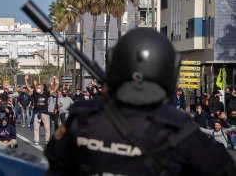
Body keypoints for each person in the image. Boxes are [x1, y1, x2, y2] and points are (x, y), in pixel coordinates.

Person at [44, 28, 236, 175]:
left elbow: (54, 163)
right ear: (169, 72)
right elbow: (224, 169)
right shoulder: (180, 130)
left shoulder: (83, 119)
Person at [25, 75, 59, 146]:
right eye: (37, 87)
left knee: (47, 128)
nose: (38, 88)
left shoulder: (46, 93)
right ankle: (36, 140)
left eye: (39, 87)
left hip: (45, 113)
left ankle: (47, 140)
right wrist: (26, 80)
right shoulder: (35, 93)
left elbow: (55, 90)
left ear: (43, 88)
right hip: (37, 113)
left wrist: (57, 83)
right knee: (36, 128)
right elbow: (28, 88)